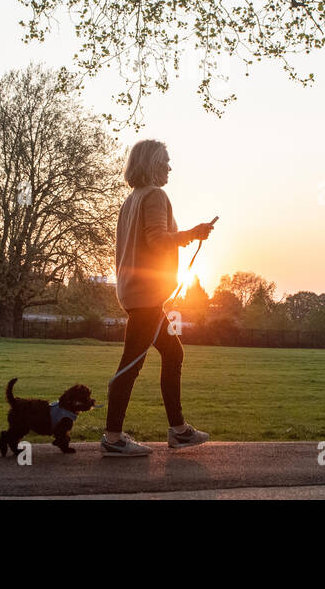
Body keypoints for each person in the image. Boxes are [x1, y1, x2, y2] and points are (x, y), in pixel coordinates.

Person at [102, 139, 216, 457]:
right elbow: (157, 241)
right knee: (130, 365)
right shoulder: (154, 195)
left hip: (137, 294)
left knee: (173, 353)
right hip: (146, 297)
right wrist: (193, 234)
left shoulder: (132, 200)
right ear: (153, 164)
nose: (169, 167)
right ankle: (112, 437)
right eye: (165, 161)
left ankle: (178, 430)